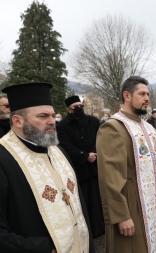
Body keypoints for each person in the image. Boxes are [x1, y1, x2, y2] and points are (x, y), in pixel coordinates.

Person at [0, 82, 93, 253]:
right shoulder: (3, 158)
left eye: (52, 115)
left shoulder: (58, 151)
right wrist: (44, 248)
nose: (52, 121)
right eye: (43, 116)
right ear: (17, 121)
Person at [96, 76, 156, 253]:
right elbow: (110, 178)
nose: (147, 98)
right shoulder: (114, 128)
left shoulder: (148, 127)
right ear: (127, 95)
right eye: (141, 94)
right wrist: (121, 216)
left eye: (148, 94)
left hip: (154, 206)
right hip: (131, 208)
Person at [56, 95, 105, 238]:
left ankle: (100, 227)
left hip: (95, 167)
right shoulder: (62, 126)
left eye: (81, 106)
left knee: (97, 199)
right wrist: (84, 156)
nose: (79, 109)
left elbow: (100, 139)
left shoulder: (93, 121)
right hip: (78, 169)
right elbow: (65, 146)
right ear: (69, 110)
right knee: (83, 201)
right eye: (75, 107)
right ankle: (87, 229)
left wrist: (94, 153)